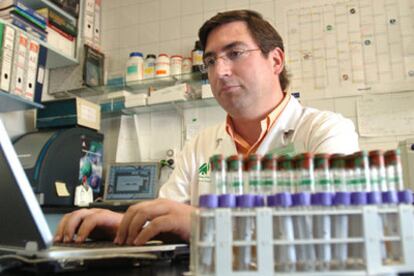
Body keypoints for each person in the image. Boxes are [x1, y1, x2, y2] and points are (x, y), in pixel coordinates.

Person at [54, 10, 359, 246]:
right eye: (211, 61)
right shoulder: (200, 146)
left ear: (275, 59)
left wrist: (204, 223)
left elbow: (331, 226)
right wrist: (119, 223)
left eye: (235, 53)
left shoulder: (326, 131)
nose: (220, 71)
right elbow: (167, 217)